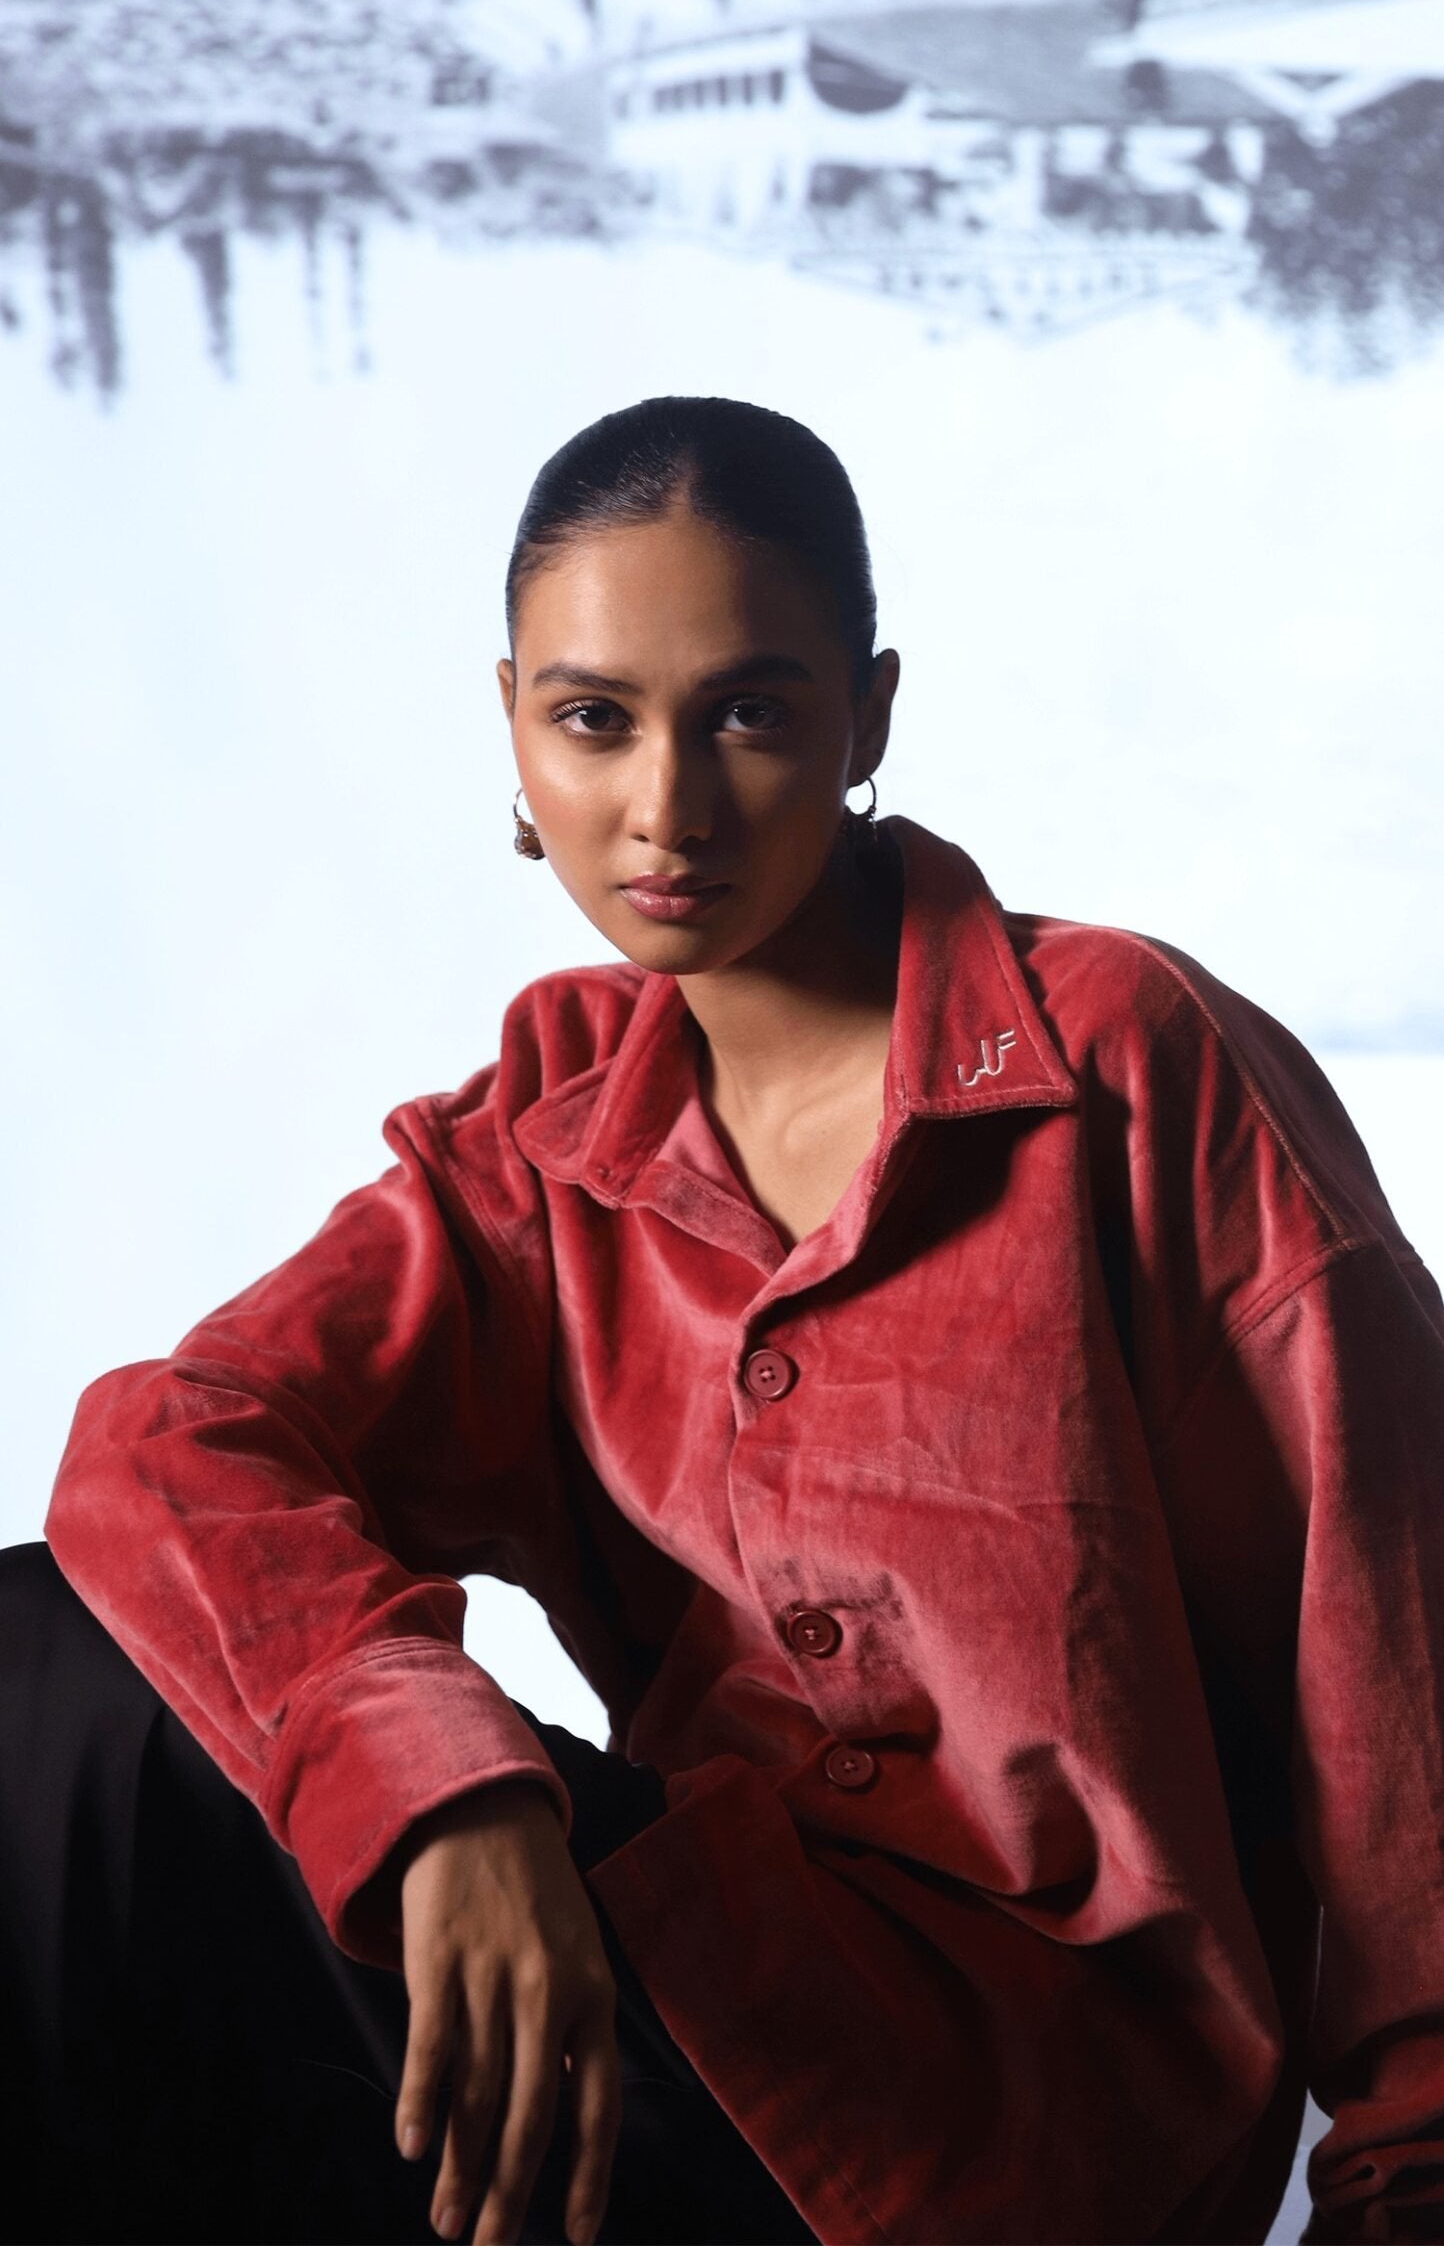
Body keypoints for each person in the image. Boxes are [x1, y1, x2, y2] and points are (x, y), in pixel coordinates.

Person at [9, 393, 1444, 2246]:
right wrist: (447, 1793)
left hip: (1036, 2131)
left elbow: (1395, 1638)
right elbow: (166, 1446)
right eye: (592, 719)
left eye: (750, 714)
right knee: (57, 1657)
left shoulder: (1132, 1069)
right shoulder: (542, 1141)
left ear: (869, 716)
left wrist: (1412, 2178)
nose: (666, 809)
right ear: (513, 725)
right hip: (686, 2015)